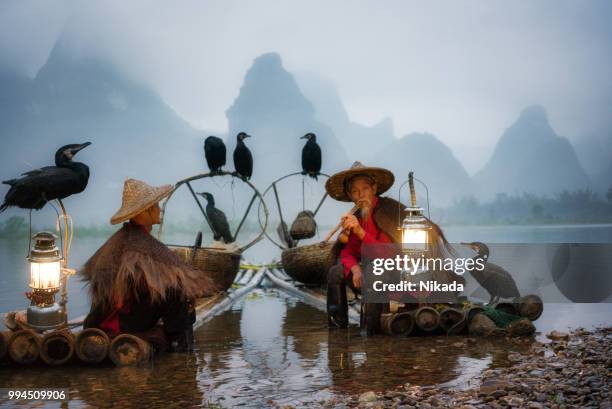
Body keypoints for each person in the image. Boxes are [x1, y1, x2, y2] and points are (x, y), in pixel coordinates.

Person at [81, 178, 218, 352]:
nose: (159, 209)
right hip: (125, 322)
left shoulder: (121, 238)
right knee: (179, 292)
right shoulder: (142, 242)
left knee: (169, 288)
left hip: (107, 317)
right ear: (146, 211)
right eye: (156, 206)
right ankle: (179, 345)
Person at [325, 162, 463, 328]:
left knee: (374, 271)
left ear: (374, 189)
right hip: (370, 269)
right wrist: (354, 268)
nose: (361, 194)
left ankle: (371, 330)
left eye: (365, 189)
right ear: (350, 195)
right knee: (335, 272)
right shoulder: (357, 216)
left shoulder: (389, 211)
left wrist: (360, 231)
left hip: (398, 272)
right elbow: (348, 252)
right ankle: (338, 328)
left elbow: (387, 254)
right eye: (355, 191)